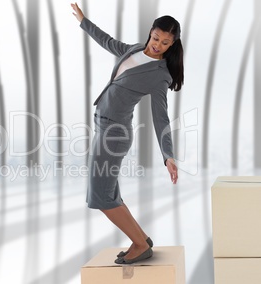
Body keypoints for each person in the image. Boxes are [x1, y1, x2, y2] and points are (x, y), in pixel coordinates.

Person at [71, 3, 182, 264]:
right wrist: (84, 21)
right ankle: (141, 238)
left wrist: (168, 155)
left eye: (165, 43)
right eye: (156, 38)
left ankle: (140, 244)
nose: (158, 45)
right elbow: (107, 41)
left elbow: (161, 116)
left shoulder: (160, 75)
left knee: (101, 195)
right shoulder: (133, 49)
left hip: (115, 134)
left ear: (172, 44)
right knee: (109, 193)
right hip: (104, 127)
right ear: (151, 32)